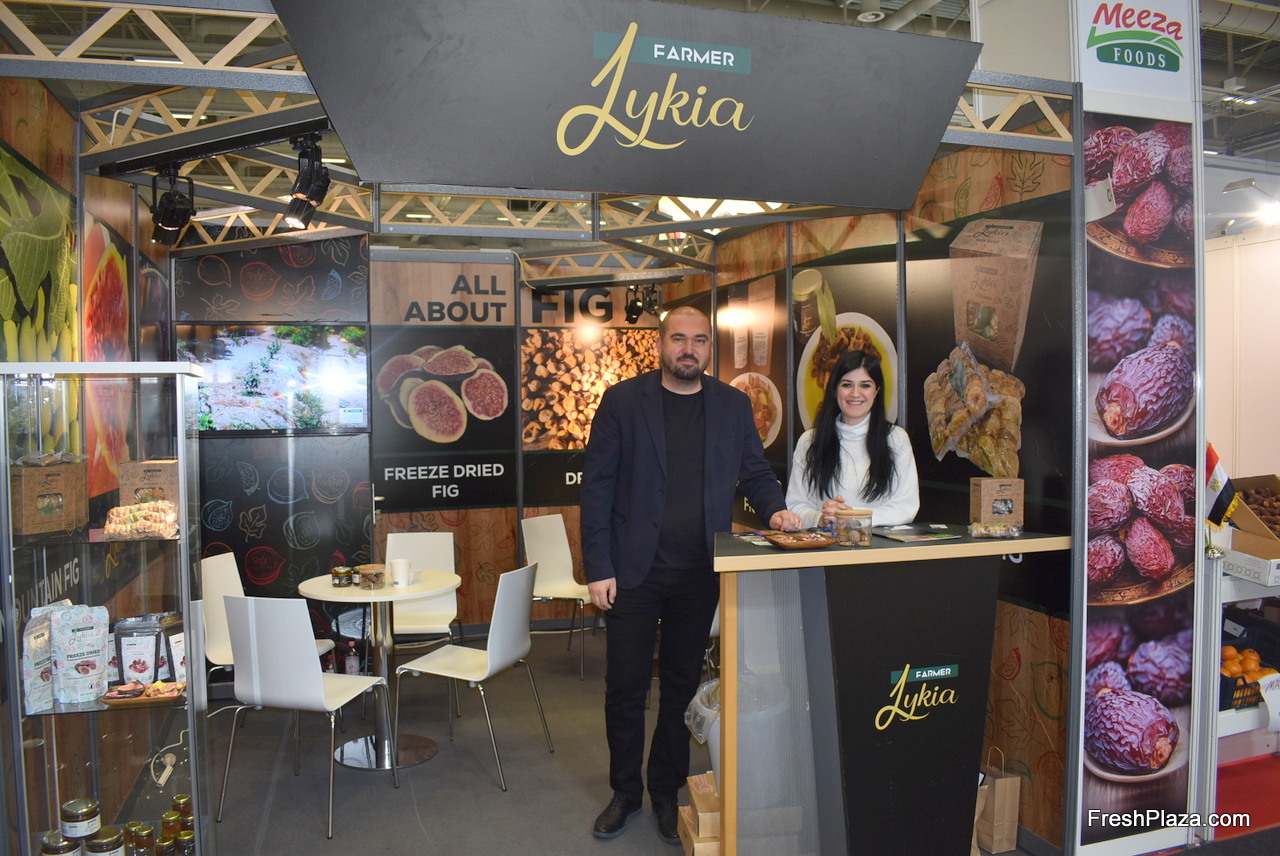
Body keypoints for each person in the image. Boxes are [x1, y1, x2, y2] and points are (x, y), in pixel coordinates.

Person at [581, 305, 801, 844]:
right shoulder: (622, 401)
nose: (689, 349)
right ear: (661, 344)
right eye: (679, 339)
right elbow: (597, 487)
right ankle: (624, 793)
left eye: (699, 340)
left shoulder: (732, 405)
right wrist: (598, 567)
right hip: (632, 573)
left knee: (681, 686)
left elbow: (754, 471)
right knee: (626, 688)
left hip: (700, 572)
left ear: (709, 348)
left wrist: (776, 510)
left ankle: (665, 791)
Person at [787, 349, 919, 529]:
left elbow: (906, 507)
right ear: (835, 389)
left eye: (865, 385)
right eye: (847, 385)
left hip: (878, 545)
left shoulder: (895, 439)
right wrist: (821, 519)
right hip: (824, 544)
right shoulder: (809, 441)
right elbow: (795, 505)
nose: (855, 393)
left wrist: (852, 516)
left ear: (877, 391)